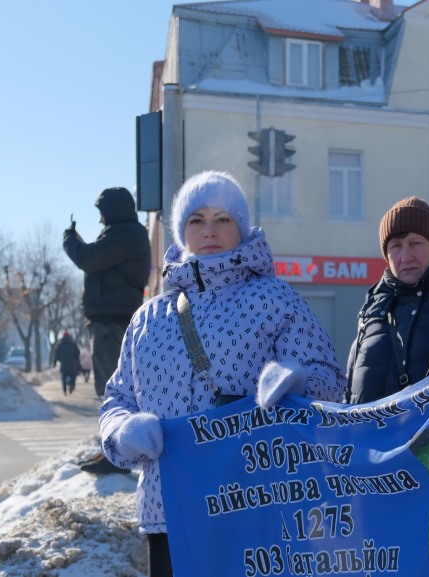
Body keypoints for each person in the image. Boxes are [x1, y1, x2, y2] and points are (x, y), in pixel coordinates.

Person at [97, 171, 346, 577]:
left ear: (241, 228)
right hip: (170, 512)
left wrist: (298, 380)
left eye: (222, 218)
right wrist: (123, 431)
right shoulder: (148, 317)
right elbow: (117, 399)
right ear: (181, 232)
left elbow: (332, 382)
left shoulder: (275, 298)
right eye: (196, 220)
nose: (209, 230)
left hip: (254, 508)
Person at [345, 196, 429, 403]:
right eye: (396, 246)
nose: (405, 256)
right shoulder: (373, 308)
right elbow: (350, 392)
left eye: (415, 243)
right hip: (369, 435)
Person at [63, 186, 152, 398]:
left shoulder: (125, 234)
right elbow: (98, 259)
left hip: (112, 324)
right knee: (115, 388)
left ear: (113, 210)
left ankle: (117, 431)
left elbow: (88, 259)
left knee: (112, 391)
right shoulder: (127, 234)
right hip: (114, 320)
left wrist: (69, 240)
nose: (100, 220)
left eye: (102, 213)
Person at [53, 330, 82, 395]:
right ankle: (72, 385)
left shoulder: (60, 344)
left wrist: (57, 361)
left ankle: (64, 389)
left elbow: (56, 354)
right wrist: (76, 359)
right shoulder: (73, 344)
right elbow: (77, 353)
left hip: (63, 364)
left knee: (63, 376)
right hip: (72, 364)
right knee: (73, 375)